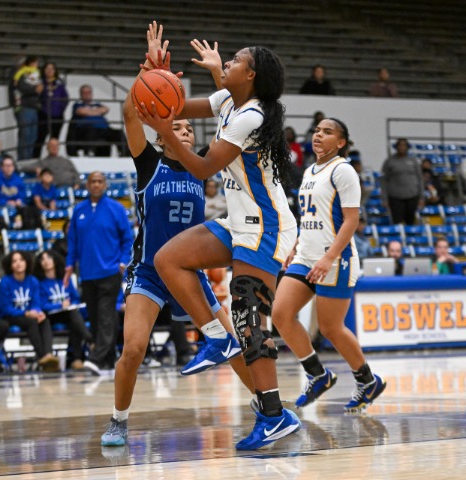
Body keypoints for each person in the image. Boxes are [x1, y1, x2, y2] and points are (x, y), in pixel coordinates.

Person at [137, 37, 301, 450]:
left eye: (235, 60)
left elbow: (203, 168)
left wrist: (167, 134)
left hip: (266, 227)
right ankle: (216, 337)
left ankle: (273, 416)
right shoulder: (230, 99)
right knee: (168, 259)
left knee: (249, 320)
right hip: (240, 220)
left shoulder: (252, 115)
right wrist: (156, 76)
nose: (227, 61)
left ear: (251, 75)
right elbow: (175, 107)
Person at [100, 23, 256, 448]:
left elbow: (231, 115)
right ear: (163, 132)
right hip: (149, 272)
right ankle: (118, 420)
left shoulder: (203, 164)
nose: (186, 131)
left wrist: (217, 77)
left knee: (232, 343)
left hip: (189, 271)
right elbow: (130, 113)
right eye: (180, 127)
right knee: (133, 349)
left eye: (189, 128)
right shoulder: (148, 163)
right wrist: (149, 70)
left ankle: (268, 407)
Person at [271, 117, 387, 413]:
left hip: (336, 258)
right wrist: (296, 244)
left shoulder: (343, 170)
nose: (318, 135)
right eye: (317, 130)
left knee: (330, 328)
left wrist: (328, 257)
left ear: (341, 142)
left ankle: (368, 381)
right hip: (306, 255)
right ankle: (317, 375)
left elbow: (351, 220)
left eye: (327, 132)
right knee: (281, 314)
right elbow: (311, 217)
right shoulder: (310, 170)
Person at [64, 171, 133, 374]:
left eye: (99, 181)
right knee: (95, 318)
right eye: (92, 181)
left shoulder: (116, 209)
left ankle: (95, 357)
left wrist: (123, 261)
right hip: (87, 273)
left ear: (105, 185)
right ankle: (108, 360)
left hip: (110, 271)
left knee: (106, 316)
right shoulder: (79, 210)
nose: (96, 184)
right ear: (87, 185)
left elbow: (127, 238)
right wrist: (69, 264)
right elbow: (73, 240)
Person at [0, 251, 59, 372]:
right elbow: (5, 308)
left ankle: (48, 354)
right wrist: (26, 313)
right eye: (14, 261)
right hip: (10, 316)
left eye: (21, 260)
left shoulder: (33, 280)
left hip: (29, 316)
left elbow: (36, 302)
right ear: (10, 265)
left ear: (27, 262)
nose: (18, 263)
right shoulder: (5, 282)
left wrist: (37, 312)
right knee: (31, 322)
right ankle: (43, 357)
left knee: (44, 320)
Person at [34, 250, 91, 369]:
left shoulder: (66, 279)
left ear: (55, 260)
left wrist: (70, 304)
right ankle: (49, 356)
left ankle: (77, 358)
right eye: (42, 259)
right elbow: (41, 304)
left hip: (67, 313)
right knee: (47, 320)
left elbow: (75, 298)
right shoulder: (39, 282)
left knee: (74, 317)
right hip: (49, 315)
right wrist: (60, 305)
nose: (45, 261)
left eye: (48, 258)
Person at [66, 85, 128, 157]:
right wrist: (97, 111)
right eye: (84, 93)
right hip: (87, 129)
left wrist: (89, 112)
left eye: (89, 92)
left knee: (118, 133)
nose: (87, 94)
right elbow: (81, 111)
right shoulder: (77, 104)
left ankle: (126, 155)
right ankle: (89, 153)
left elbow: (106, 109)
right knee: (91, 132)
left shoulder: (97, 104)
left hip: (104, 129)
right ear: (80, 94)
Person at [381, 138, 423, 225]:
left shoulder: (414, 161)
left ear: (407, 147)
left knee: (411, 222)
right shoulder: (390, 161)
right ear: (396, 147)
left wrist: (421, 197)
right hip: (395, 197)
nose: (402, 147)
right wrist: (384, 198)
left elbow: (420, 179)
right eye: (400, 145)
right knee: (397, 222)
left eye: (404, 145)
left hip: (412, 196)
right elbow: (384, 180)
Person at [35, 62, 69, 158]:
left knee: (55, 139)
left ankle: (53, 157)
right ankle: (35, 158)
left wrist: (60, 110)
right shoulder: (40, 83)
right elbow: (36, 98)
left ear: (55, 71)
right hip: (43, 114)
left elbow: (65, 98)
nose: (50, 71)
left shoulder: (59, 84)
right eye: (47, 68)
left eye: (52, 69)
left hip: (57, 115)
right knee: (40, 138)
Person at [13, 56, 42, 161]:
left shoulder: (37, 75)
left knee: (33, 135)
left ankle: (29, 158)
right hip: (25, 107)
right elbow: (21, 87)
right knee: (25, 134)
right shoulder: (21, 74)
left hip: (34, 107)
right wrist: (35, 90)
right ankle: (23, 159)